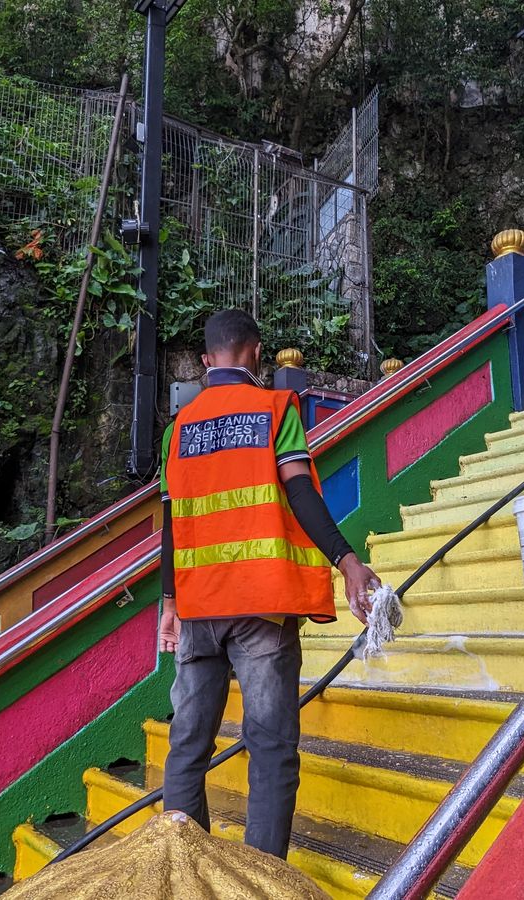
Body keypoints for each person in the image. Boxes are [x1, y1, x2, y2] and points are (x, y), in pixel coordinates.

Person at [156, 308, 380, 859]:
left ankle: (185, 873)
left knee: (187, 747)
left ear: (206, 361)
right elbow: (300, 492)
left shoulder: (177, 432)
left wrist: (169, 602)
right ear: (256, 354)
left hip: (198, 606)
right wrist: (347, 560)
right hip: (263, 607)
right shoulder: (276, 409)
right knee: (271, 745)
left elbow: (171, 524)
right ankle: (262, 881)